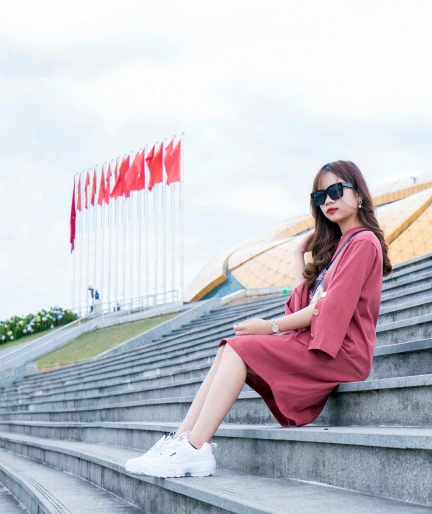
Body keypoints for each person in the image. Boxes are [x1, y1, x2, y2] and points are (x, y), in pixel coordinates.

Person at [125, 160, 393, 478]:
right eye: (320, 197)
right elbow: (300, 306)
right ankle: (180, 440)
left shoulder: (363, 243)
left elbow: (326, 311)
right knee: (230, 347)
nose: (329, 201)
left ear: (359, 194)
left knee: (240, 347)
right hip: (325, 345)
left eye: (336, 190)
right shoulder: (341, 248)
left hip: (343, 353)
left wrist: (267, 328)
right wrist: (298, 255)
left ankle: (195, 448)